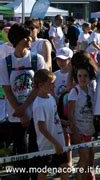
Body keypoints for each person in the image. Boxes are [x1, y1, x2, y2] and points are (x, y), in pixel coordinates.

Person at [0, 24, 47, 178]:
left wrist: (25, 109)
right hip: (15, 114)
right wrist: (20, 113)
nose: (30, 39)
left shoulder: (37, 59)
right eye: (26, 37)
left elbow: (39, 86)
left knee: (35, 149)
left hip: (35, 112)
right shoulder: (5, 63)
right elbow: (7, 90)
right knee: (21, 150)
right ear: (17, 40)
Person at [32, 69, 68, 180]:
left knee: (64, 167)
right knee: (43, 171)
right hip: (46, 145)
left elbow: (53, 117)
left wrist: (63, 122)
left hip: (59, 140)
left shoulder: (51, 98)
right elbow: (41, 128)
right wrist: (55, 143)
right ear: (41, 85)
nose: (54, 85)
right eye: (51, 83)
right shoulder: (38, 104)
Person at [68, 59, 97, 180]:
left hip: (90, 130)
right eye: (79, 75)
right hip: (79, 131)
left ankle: (87, 176)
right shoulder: (74, 92)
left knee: (90, 158)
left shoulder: (92, 91)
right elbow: (70, 114)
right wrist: (75, 132)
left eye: (85, 75)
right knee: (83, 158)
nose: (82, 78)